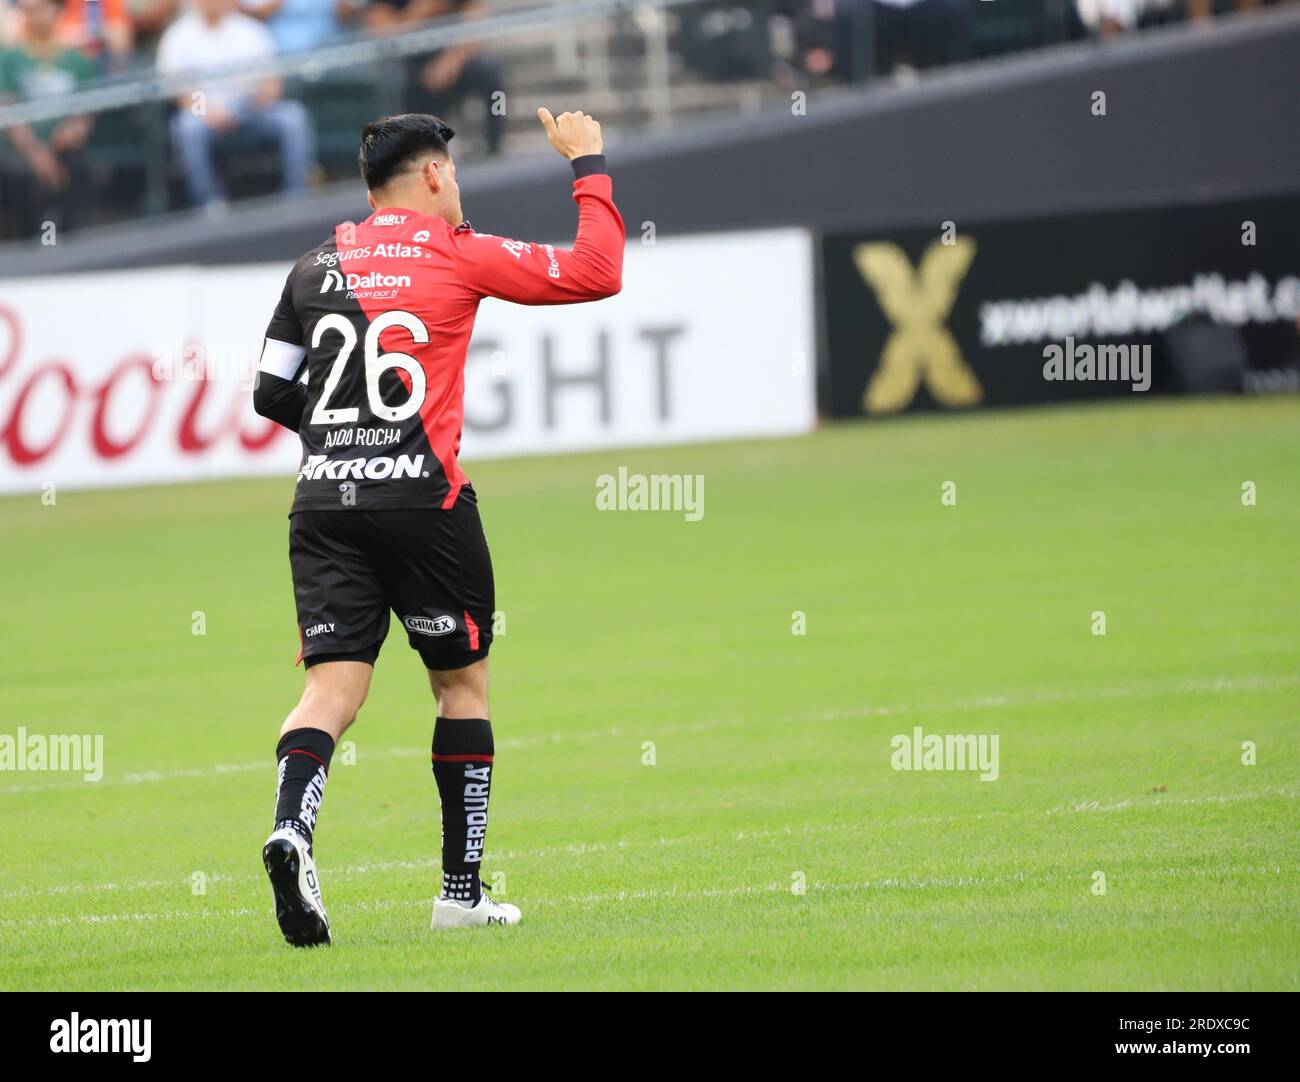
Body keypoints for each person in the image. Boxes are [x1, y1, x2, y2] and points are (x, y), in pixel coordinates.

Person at [251, 109, 624, 946]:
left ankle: (292, 832)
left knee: (329, 692)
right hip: (426, 504)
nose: (458, 188)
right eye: (453, 175)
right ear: (430, 177)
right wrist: (589, 161)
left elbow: (271, 394)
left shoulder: (312, 265)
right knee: (460, 688)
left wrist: (346, 443)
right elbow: (598, 270)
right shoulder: (457, 253)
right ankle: (459, 895)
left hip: (323, 504)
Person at [157, 0, 316, 210]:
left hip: (250, 109)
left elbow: (272, 82)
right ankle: (209, 204)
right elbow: (177, 91)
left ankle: (296, 196)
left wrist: (256, 100)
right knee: (188, 127)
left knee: (292, 116)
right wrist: (208, 111)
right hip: (205, 114)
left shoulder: (250, 29)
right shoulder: (178, 35)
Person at [0, 0, 96, 236]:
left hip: (63, 147)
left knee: (74, 166)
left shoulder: (75, 57)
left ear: (55, 10)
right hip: (22, 150)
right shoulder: (9, 58)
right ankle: (33, 241)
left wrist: (69, 133)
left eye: (39, 9)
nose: (33, 17)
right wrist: (38, 154)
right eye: (27, 11)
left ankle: (66, 236)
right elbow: (9, 112)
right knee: (21, 173)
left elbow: (85, 109)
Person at [365, 0, 506, 155]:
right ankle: (408, 153)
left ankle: (496, 145)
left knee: (493, 74)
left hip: (452, 57)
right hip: (407, 64)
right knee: (397, 82)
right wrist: (421, 11)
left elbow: (475, 23)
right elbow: (383, 33)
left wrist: (450, 62)